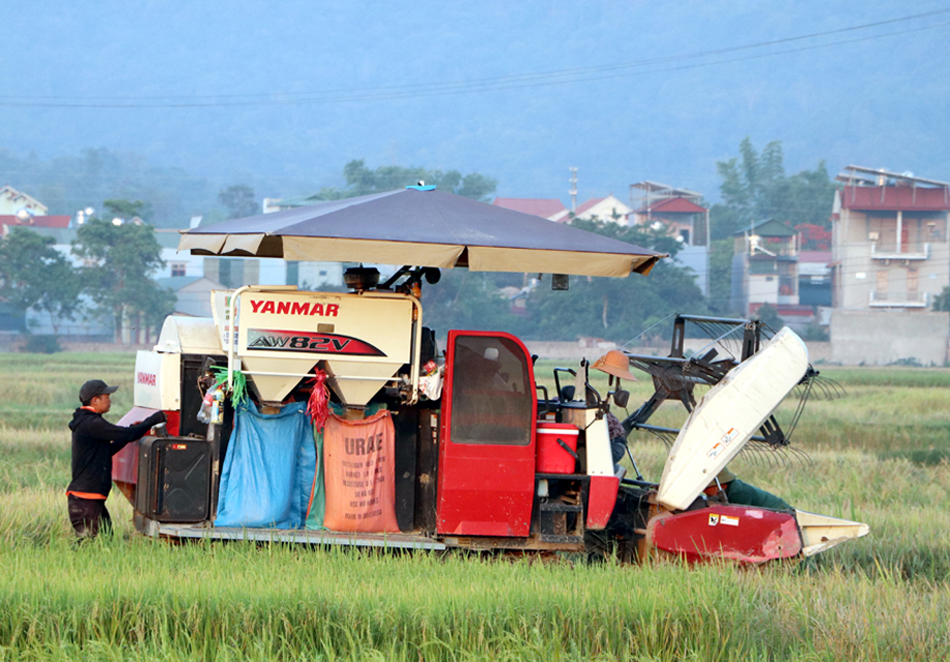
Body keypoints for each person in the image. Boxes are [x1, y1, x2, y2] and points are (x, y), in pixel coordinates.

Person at [67, 379, 166, 539]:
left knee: (104, 540)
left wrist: (135, 430)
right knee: (88, 544)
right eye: (107, 396)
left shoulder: (87, 422)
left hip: (88, 497)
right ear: (95, 400)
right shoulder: (92, 423)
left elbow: (108, 449)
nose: (110, 400)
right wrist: (152, 420)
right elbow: (126, 434)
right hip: (86, 498)